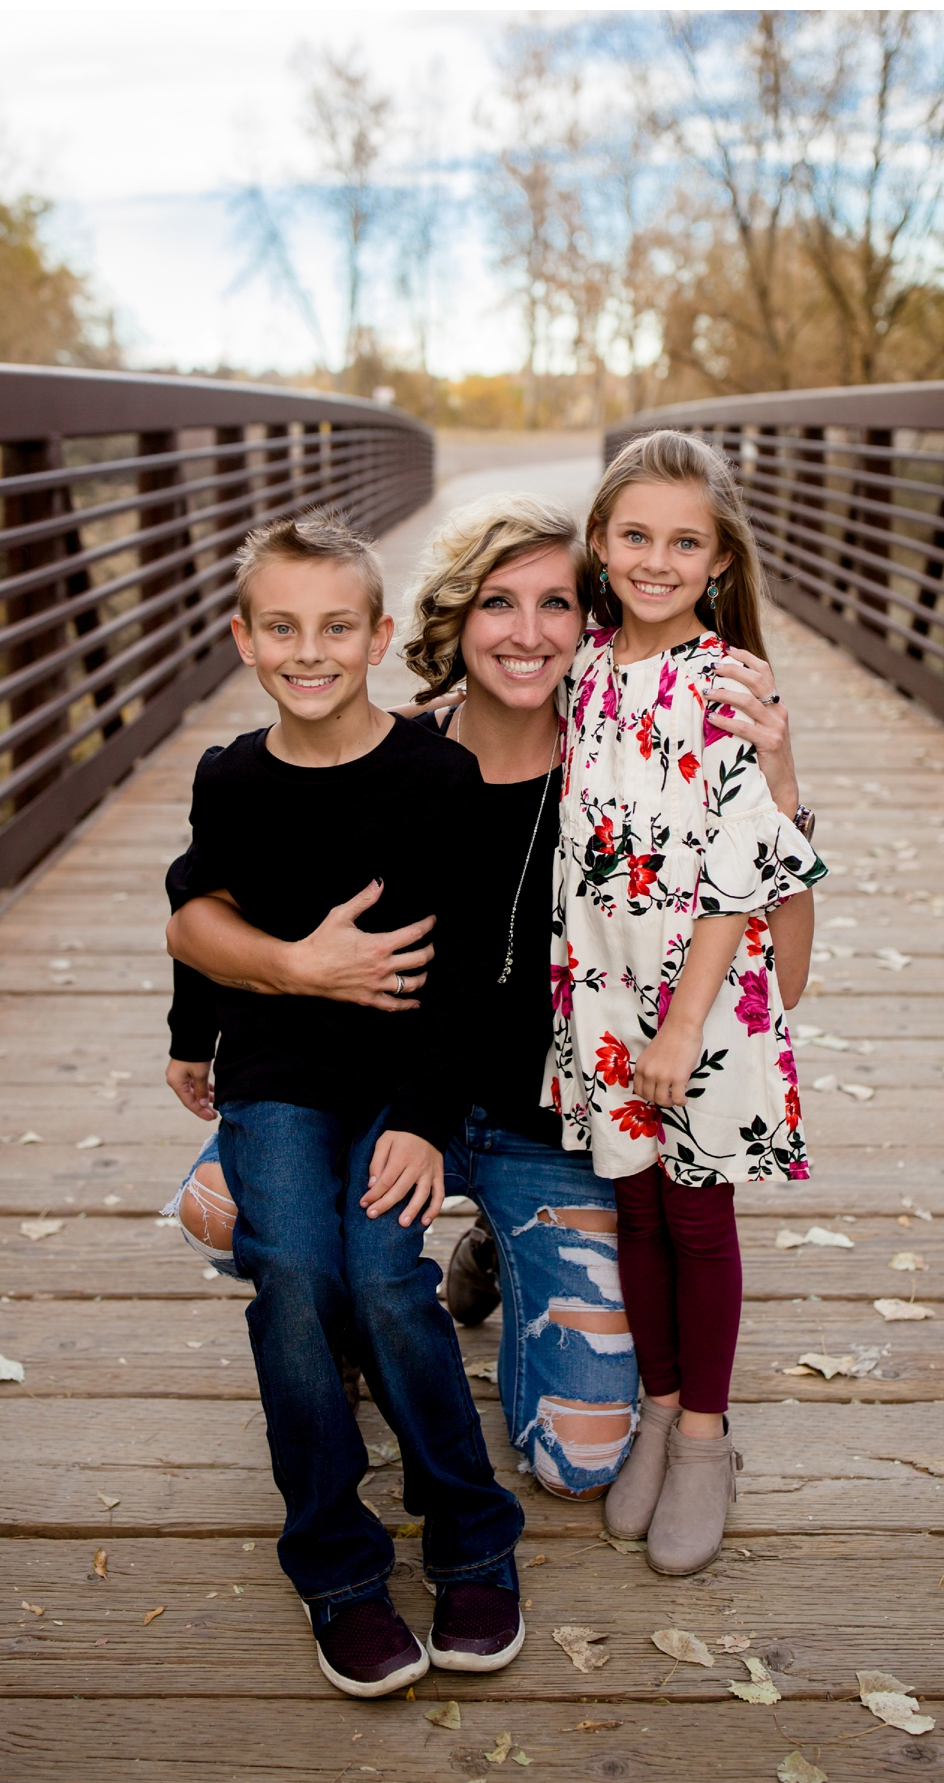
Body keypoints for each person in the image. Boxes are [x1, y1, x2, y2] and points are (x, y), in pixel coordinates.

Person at [165, 491, 810, 1508]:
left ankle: (495, 1248)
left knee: (578, 1460)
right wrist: (292, 968)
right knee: (223, 1208)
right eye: (496, 604)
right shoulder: (397, 754)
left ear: (590, 623)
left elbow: (786, 980)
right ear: (453, 619)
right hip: (381, 1087)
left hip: (541, 1123)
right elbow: (201, 906)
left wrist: (778, 787)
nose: (525, 633)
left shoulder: (635, 769)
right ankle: (331, 1315)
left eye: (556, 605)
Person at [164, 510, 526, 1700]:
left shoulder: (437, 777)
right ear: (243, 637)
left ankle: (468, 1531)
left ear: (378, 637)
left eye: (335, 626)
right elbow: (197, 912)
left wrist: (426, 1117)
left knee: (380, 1273)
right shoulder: (231, 778)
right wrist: (187, 1041)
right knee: (297, 1277)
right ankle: (336, 1561)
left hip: (400, 1083)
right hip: (273, 1075)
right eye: (281, 626)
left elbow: (468, 969)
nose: (307, 650)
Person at [549, 431, 825, 1575]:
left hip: (695, 1006)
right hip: (607, 990)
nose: (656, 559)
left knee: (697, 1218)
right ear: (602, 545)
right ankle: (657, 1410)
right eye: (634, 536)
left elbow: (738, 872)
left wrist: (679, 1027)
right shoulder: (584, 667)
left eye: (684, 541)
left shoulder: (726, 684)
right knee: (637, 1210)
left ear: (718, 560)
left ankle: (706, 1439)